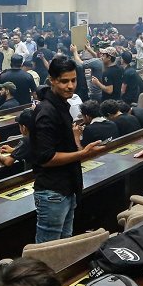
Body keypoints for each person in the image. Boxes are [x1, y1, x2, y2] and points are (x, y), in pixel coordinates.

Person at [31, 56, 107, 242]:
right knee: (49, 250)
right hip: (52, 192)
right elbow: (46, 158)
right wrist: (83, 153)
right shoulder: (47, 111)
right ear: (52, 81)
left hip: (67, 187)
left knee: (65, 245)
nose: (70, 86)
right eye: (64, 81)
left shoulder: (62, 105)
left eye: (73, 80)